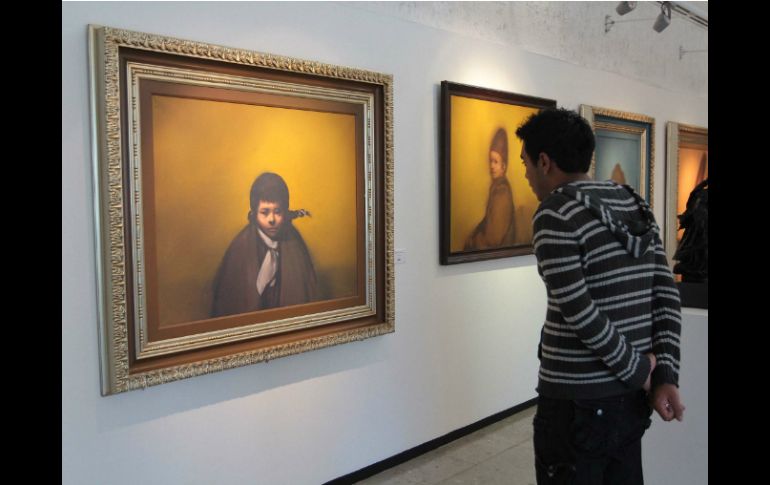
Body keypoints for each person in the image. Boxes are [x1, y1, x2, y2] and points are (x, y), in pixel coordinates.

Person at [514, 108, 684, 485]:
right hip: (629, 402)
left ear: (545, 162)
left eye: (525, 163)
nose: (525, 174)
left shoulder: (554, 213)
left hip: (575, 403)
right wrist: (665, 374)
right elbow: (665, 294)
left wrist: (641, 371)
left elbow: (580, 313)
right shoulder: (632, 202)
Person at [211, 172, 319, 317]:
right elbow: (228, 303)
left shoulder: (294, 242)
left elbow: (308, 294)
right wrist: (260, 284)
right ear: (254, 213)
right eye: (264, 212)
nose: (271, 219)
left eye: (277, 212)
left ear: (285, 212)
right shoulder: (240, 247)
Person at [464, 127, 517, 250]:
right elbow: (486, 222)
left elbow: (493, 239)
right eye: (490, 161)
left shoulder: (502, 192)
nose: (491, 166)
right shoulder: (496, 188)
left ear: (504, 166)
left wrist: (472, 241)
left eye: (495, 162)